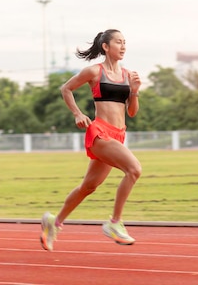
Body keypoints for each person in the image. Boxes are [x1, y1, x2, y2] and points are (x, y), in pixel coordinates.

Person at [40, 29, 142, 251]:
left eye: (125, 43)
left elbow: (132, 113)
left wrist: (134, 92)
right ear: (106, 47)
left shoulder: (127, 75)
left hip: (118, 135)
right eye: (118, 42)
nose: (123, 46)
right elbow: (66, 88)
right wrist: (77, 113)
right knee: (134, 170)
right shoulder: (94, 72)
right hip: (100, 133)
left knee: (88, 186)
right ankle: (114, 223)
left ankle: (53, 222)